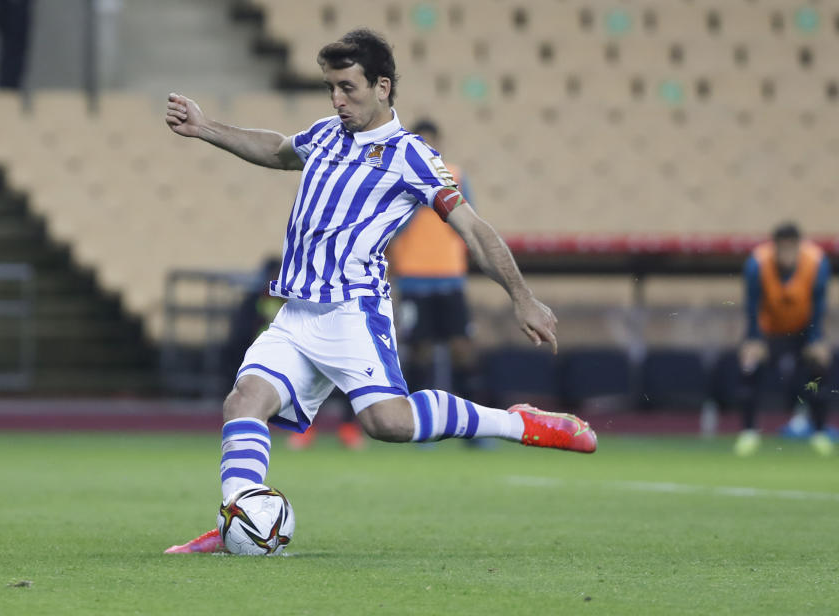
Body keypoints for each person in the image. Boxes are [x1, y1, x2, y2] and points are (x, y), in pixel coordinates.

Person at [162, 29, 596, 554]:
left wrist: (521, 295)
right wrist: (206, 128)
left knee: (386, 422)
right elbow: (278, 150)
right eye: (330, 88)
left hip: (353, 311)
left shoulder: (411, 156)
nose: (337, 100)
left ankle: (516, 423)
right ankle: (237, 518)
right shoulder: (326, 133)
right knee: (243, 403)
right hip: (298, 311)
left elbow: (473, 229)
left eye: (348, 87)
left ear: (383, 86)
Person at [388, 119, 490, 449]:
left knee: (463, 348)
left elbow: (469, 222)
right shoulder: (400, 182)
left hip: (450, 278)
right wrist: (418, 201)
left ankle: (472, 429)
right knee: (421, 352)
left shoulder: (455, 177)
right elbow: (391, 229)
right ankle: (422, 427)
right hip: (414, 279)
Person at [735, 222, 832, 457]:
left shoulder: (817, 262)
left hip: (802, 330)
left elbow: (819, 305)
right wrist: (753, 339)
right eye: (782, 248)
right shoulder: (756, 264)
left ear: (799, 247)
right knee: (749, 364)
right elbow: (752, 304)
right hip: (770, 331)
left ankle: (818, 432)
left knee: (820, 364)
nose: (787, 255)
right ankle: (749, 432)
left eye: (792, 248)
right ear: (774, 247)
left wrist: (816, 339)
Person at [0, 0, 34, 90]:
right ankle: (6, 87)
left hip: (13, 9)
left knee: (14, 51)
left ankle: (8, 86)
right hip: (13, 9)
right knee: (12, 51)